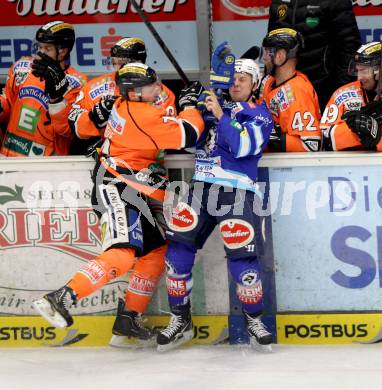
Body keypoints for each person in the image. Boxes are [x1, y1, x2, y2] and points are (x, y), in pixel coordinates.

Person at [32, 62, 204, 347]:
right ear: (134, 92)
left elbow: (84, 125)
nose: (158, 86)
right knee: (123, 253)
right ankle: (60, 297)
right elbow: (189, 133)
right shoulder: (143, 115)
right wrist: (188, 104)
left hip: (130, 186)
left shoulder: (123, 104)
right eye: (151, 84)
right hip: (115, 184)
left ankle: (128, 318)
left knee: (155, 252)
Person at [156, 51, 274, 352]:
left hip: (237, 192)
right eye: (232, 78)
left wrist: (222, 117)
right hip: (201, 188)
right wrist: (191, 107)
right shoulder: (213, 108)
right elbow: (184, 139)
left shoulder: (258, 114)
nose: (236, 83)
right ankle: (180, 320)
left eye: (243, 79)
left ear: (254, 84)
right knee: (177, 254)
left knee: (243, 261)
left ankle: (253, 320)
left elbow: (244, 146)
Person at [67, 37, 176, 153]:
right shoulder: (93, 87)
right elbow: (74, 126)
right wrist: (94, 118)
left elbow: (170, 134)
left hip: (145, 162)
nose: (118, 68)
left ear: (138, 63)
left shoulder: (160, 93)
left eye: (122, 63)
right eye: (115, 62)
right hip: (105, 161)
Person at [0, 21, 87, 157]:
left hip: (46, 164)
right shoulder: (21, 67)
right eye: (40, 47)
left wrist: (56, 97)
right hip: (9, 155)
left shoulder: (78, 83)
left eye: (47, 49)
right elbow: (8, 103)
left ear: (63, 51)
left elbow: (68, 130)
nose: (41, 53)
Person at [267, 0, 361, 111]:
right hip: (284, 87)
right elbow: (271, 42)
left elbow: (350, 46)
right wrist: (271, 80)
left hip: (323, 87)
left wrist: (340, 90)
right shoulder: (278, 2)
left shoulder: (335, 3)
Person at [261, 28, 321, 152]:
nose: (264, 58)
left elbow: (311, 145)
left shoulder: (298, 90)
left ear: (280, 56)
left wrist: (273, 138)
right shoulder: (268, 82)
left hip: (292, 169)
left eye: (267, 52)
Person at [321, 42, 382, 151]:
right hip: (347, 165)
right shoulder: (342, 95)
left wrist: (377, 137)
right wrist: (353, 131)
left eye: (363, 71)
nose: (359, 77)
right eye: (358, 70)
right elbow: (323, 138)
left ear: (378, 69)